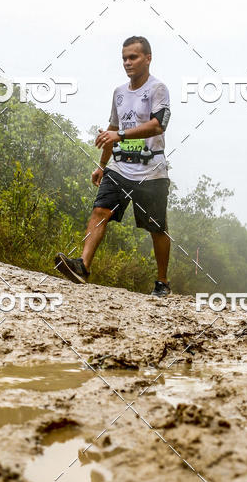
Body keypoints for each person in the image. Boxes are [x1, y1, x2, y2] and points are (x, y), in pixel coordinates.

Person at [55, 35, 172, 297]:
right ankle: (83, 267)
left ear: (148, 58)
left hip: (151, 170)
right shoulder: (119, 93)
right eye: (124, 58)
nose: (127, 63)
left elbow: (158, 124)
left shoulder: (157, 89)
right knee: (100, 211)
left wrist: (119, 136)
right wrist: (102, 164)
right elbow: (113, 128)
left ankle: (162, 282)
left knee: (157, 228)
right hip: (120, 166)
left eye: (133, 57)